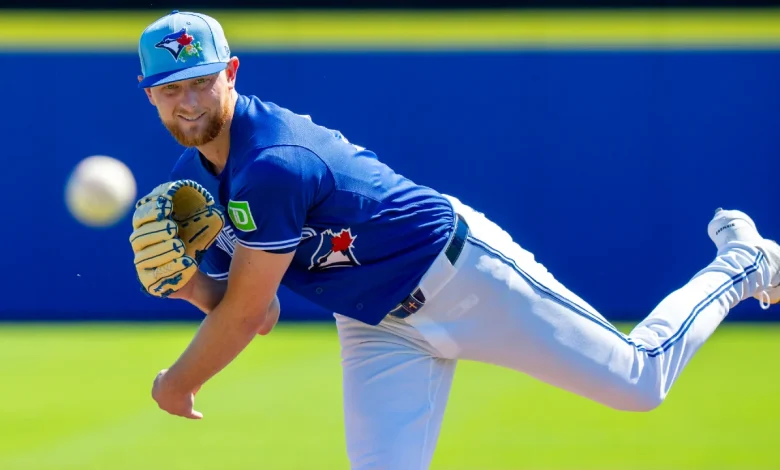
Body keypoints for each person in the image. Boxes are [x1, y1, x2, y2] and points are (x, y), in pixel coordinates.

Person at [132, 10, 780, 469]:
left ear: (232, 73)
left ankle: (743, 263)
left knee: (640, 382)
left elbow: (244, 316)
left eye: (200, 81)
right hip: (376, 325)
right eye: (170, 89)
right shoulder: (198, 181)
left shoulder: (272, 163)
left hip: (463, 278)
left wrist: (178, 383)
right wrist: (191, 284)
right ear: (150, 96)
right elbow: (262, 310)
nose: (187, 101)